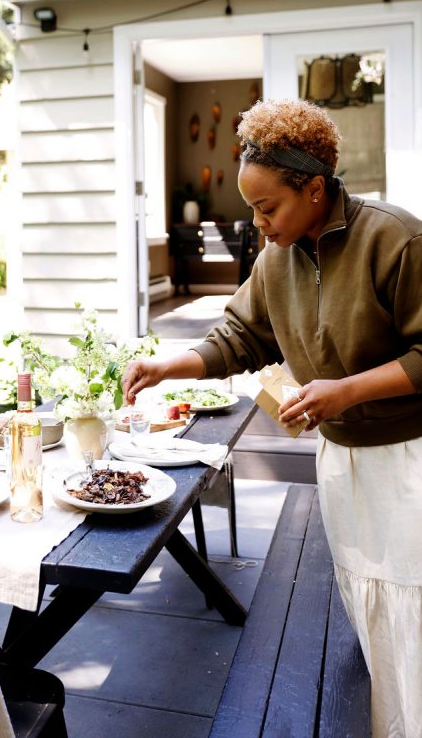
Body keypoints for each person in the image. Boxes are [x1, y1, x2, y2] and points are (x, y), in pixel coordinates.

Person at [122, 97, 422, 738]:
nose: (259, 224)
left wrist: (343, 391)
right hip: (341, 462)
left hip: (409, 460)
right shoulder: (276, 260)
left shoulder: (394, 237)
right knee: (369, 603)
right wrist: (166, 366)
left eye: (267, 207)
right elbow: (238, 337)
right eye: (252, 209)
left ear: (314, 188)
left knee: (412, 607)